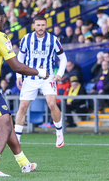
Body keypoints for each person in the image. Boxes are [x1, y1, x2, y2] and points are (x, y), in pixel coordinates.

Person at [0, 1, 48, 177]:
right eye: (3, 16)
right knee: (4, 126)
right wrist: (40, 72)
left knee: (7, 124)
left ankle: (24, 163)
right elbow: (17, 67)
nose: (4, 19)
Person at [14, 15, 67, 148]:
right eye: (38, 25)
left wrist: (59, 74)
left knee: (51, 103)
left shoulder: (53, 40)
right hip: (30, 77)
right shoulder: (26, 39)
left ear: (46, 25)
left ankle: (59, 133)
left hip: (47, 77)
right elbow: (20, 58)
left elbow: (63, 59)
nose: (40, 27)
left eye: (43, 25)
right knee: (22, 107)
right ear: (33, 25)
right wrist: (18, 76)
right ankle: (17, 139)